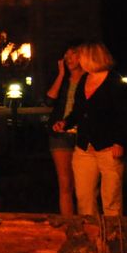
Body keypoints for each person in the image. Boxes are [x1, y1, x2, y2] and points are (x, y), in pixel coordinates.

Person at [57, 41, 127, 217]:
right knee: (85, 198)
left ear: (92, 57)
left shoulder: (114, 81)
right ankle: (91, 237)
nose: (79, 59)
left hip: (108, 147)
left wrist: (119, 141)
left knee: (111, 199)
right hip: (84, 146)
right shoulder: (84, 79)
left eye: (81, 56)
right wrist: (66, 122)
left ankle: (113, 237)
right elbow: (79, 109)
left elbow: (125, 114)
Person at [45, 44, 85, 216]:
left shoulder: (90, 79)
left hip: (83, 133)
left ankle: (87, 221)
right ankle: (68, 224)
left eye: (73, 54)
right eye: (66, 54)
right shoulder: (63, 80)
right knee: (65, 183)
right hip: (60, 134)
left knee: (83, 184)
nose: (69, 58)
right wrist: (61, 74)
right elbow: (49, 100)